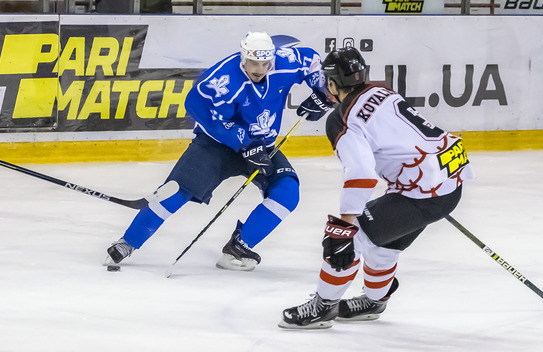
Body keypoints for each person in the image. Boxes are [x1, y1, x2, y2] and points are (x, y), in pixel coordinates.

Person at [278, 47, 474, 329]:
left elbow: (360, 173)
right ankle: (374, 301)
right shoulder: (384, 91)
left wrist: (346, 225)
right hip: (448, 177)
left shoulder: (341, 120)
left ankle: (323, 308)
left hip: (422, 192)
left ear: (332, 84)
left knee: (349, 239)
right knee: (383, 242)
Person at [105, 32, 334, 271]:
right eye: (253, 63)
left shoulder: (286, 61)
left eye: (265, 63)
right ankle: (127, 242)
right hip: (217, 145)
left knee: (287, 192)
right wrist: (244, 142)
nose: (259, 69)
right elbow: (198, 109)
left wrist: (324, 95)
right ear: (243, 57)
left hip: (262, 146)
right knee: (175, 192)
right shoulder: (222, 79)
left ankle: (239, 246)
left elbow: (312, 61)